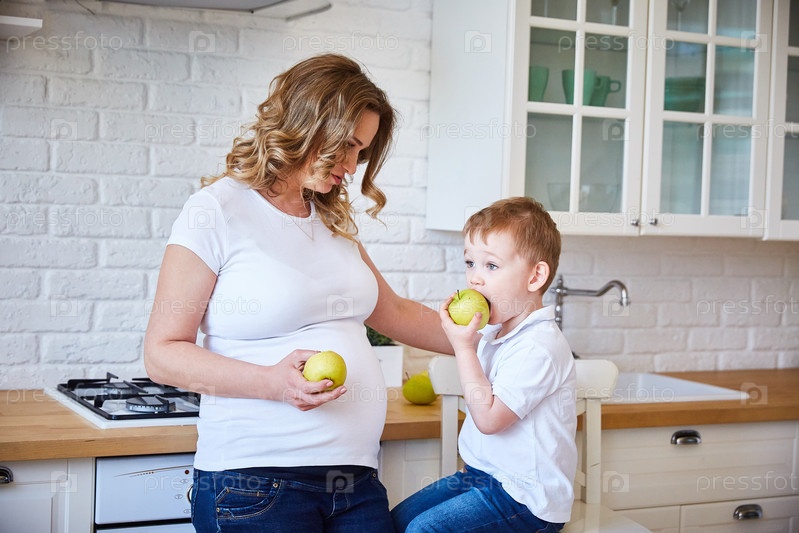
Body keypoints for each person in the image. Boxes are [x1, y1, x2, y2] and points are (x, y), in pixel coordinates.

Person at [143, 53, 452, 533]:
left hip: (355, 484)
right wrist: (274, 382)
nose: (351, 167)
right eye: (346, 146)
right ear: (307, 124)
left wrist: (504, 335)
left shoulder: (329, 219)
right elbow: (162, 353)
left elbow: (394, 312)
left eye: (361, 153)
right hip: (256, 485)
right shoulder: (217, 210)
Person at [391, 197, 577, 533]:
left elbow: (490, 419)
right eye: (470, 263)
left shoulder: (538, 345)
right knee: (396, 522)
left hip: (525, 499)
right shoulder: (496, 333)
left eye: (491, 266)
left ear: (535, 276)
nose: (475, 279)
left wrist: (463, 347)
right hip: (481, 477)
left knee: (424, 530)